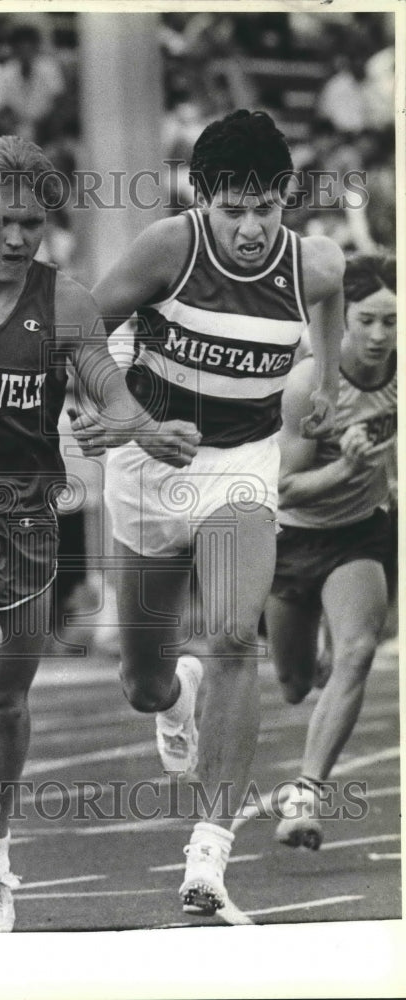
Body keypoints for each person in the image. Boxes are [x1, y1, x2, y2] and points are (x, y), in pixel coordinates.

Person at [71, 109, 345, 915]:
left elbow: (329, 298)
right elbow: (78, 328)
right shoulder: (171, 249)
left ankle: (209, 852)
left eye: (267, 208)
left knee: (232, 634)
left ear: (285, 199)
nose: (253, 228)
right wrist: (131, 423)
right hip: (148, 466)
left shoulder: (311, 264)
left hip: (241, 467)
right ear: (204, 201)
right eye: (234, 210)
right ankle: (175, 698)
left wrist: (323, 374)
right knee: (143, 682)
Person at [0, 135, 154, 933]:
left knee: (9, 703)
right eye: (2, 221)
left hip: (24, 519)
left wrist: (114, 422)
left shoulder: (68, 303)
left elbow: (111, 394)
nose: (15, 240)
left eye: (33, 224)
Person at [265, 253, 396, 849]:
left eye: (391, 322)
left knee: (360, 650)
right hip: (293, 534)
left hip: (360, 533)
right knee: (294, 684)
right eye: (367, 320)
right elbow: (286, 486)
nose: (379, 335)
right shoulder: (308, 385)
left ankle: (306, 793)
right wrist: (346, 465)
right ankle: (317, 651)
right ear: (341, 320)